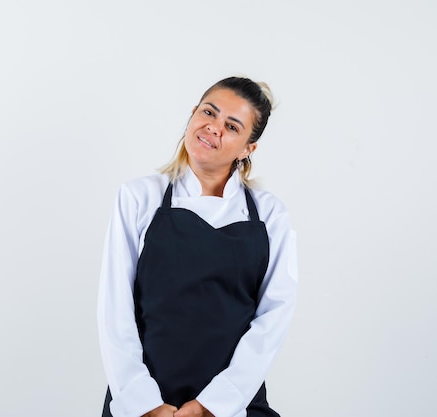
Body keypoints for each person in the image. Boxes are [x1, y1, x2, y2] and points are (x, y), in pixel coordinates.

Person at [97, 76, 298, 417]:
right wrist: (143, 403)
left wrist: (213, 405)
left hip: (233, 406)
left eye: (232, 126)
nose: (213, 128)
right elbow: (115, 310)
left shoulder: (270, 214)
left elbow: (273, 318)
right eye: (209, 112)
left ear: (248, 148)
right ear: (192, 114)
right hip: (145, 401)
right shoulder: (138, 197)